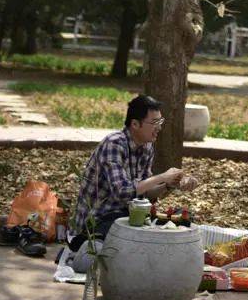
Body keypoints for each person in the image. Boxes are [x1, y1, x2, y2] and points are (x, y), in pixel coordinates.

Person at [70, 94, 196, 263]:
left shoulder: (147, 145)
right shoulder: (114, 144)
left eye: (160, 122)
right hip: (99, 221)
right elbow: (123, 192)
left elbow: (145, 193)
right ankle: (88, 246)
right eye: (154, 123)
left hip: (129, 216)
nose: (159, 128)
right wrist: (162, 176)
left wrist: (171, 184)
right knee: (129, 235)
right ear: (135, 124)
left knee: (183, 219)